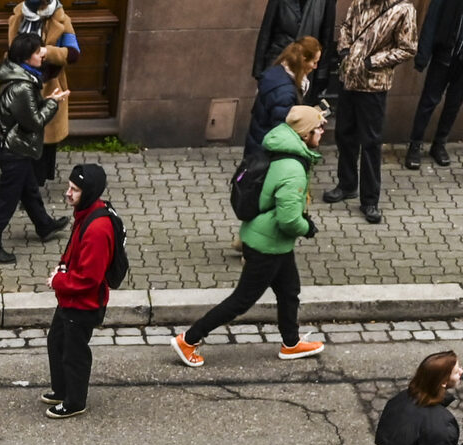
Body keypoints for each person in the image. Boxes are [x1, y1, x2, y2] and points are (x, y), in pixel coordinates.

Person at [171, 105, 325, 366]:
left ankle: (291, 343)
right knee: (241, 301)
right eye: (318, 128)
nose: (322, 132)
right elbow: (288, 219)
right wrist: (307, 228)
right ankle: (189, 339)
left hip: (270, 241)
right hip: (268, 245)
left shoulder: (282, 147)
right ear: (305, 133)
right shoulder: (292, 167)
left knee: (289, 292)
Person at [0, 34, 63, 266]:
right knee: (7, 199)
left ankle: (44, 225)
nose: (42, 54)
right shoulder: (22, 85)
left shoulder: (15, 72)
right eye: (37, 52)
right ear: (26, 57)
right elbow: (33, 122)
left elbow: (25, 113)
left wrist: (47, 100)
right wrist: (54, 103)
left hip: (10, 145)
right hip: (13, 149)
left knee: (28, 188)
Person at [324, 0, 415, 223]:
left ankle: (370, 200)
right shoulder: (359, 2)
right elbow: (346, 26)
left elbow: (408, 48)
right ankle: (346, 185)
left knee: (370, 143)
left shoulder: (403, 9)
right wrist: (344, 51)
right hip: (348, 80)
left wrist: (372, 61)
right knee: (344, 134)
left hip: (374, 86)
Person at [42, 162, 118, 418]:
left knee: (74, 354)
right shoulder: (87, 213)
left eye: (74, 189)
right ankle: (62, 389)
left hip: (82, 303)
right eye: (69, 186)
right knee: (57, 341)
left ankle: (74, 401)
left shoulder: (97, 228)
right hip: (71, 299)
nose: (67, 193)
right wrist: (62, 269)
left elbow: (88, 278)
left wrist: (58, 281)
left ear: (88, 192)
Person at [401, 0, 463, 170]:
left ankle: (439, 144)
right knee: (428, 101)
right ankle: (415, 145)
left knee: (454, 104)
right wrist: (423, 56)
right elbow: (432, 19)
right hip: (444, 54)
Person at [245, 36, 317, 149]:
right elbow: (282, 131)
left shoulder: (279, 72)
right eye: (314, 62)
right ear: (303, 60)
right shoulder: (285, 93)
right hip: (267, 153)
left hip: (258, 144)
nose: (315, 66)